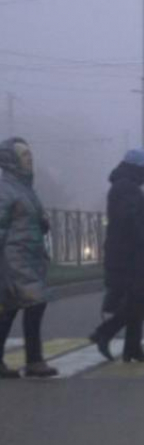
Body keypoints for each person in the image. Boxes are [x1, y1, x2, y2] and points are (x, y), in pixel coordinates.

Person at [89, 148, 144, 363]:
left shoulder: (126, 186)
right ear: (136, 167)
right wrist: (143, 240)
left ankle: (132, 348)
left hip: (128, 253)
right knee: (138, 299)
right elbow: (129, 221)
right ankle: (105, 333)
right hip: (128, 255)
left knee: (139, 300)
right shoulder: (126, 188)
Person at [0, 137, 57, 379]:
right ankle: (34, 360)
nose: (29, 160)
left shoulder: (24, 187)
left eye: (30, 156)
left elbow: (29, 217)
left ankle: (30, 360)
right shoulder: (6, 188)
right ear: (11, 160)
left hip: (28, 256)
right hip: (15, 258)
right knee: (33, 303)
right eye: (24, 156)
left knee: (11, 308)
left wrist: (42, 222)